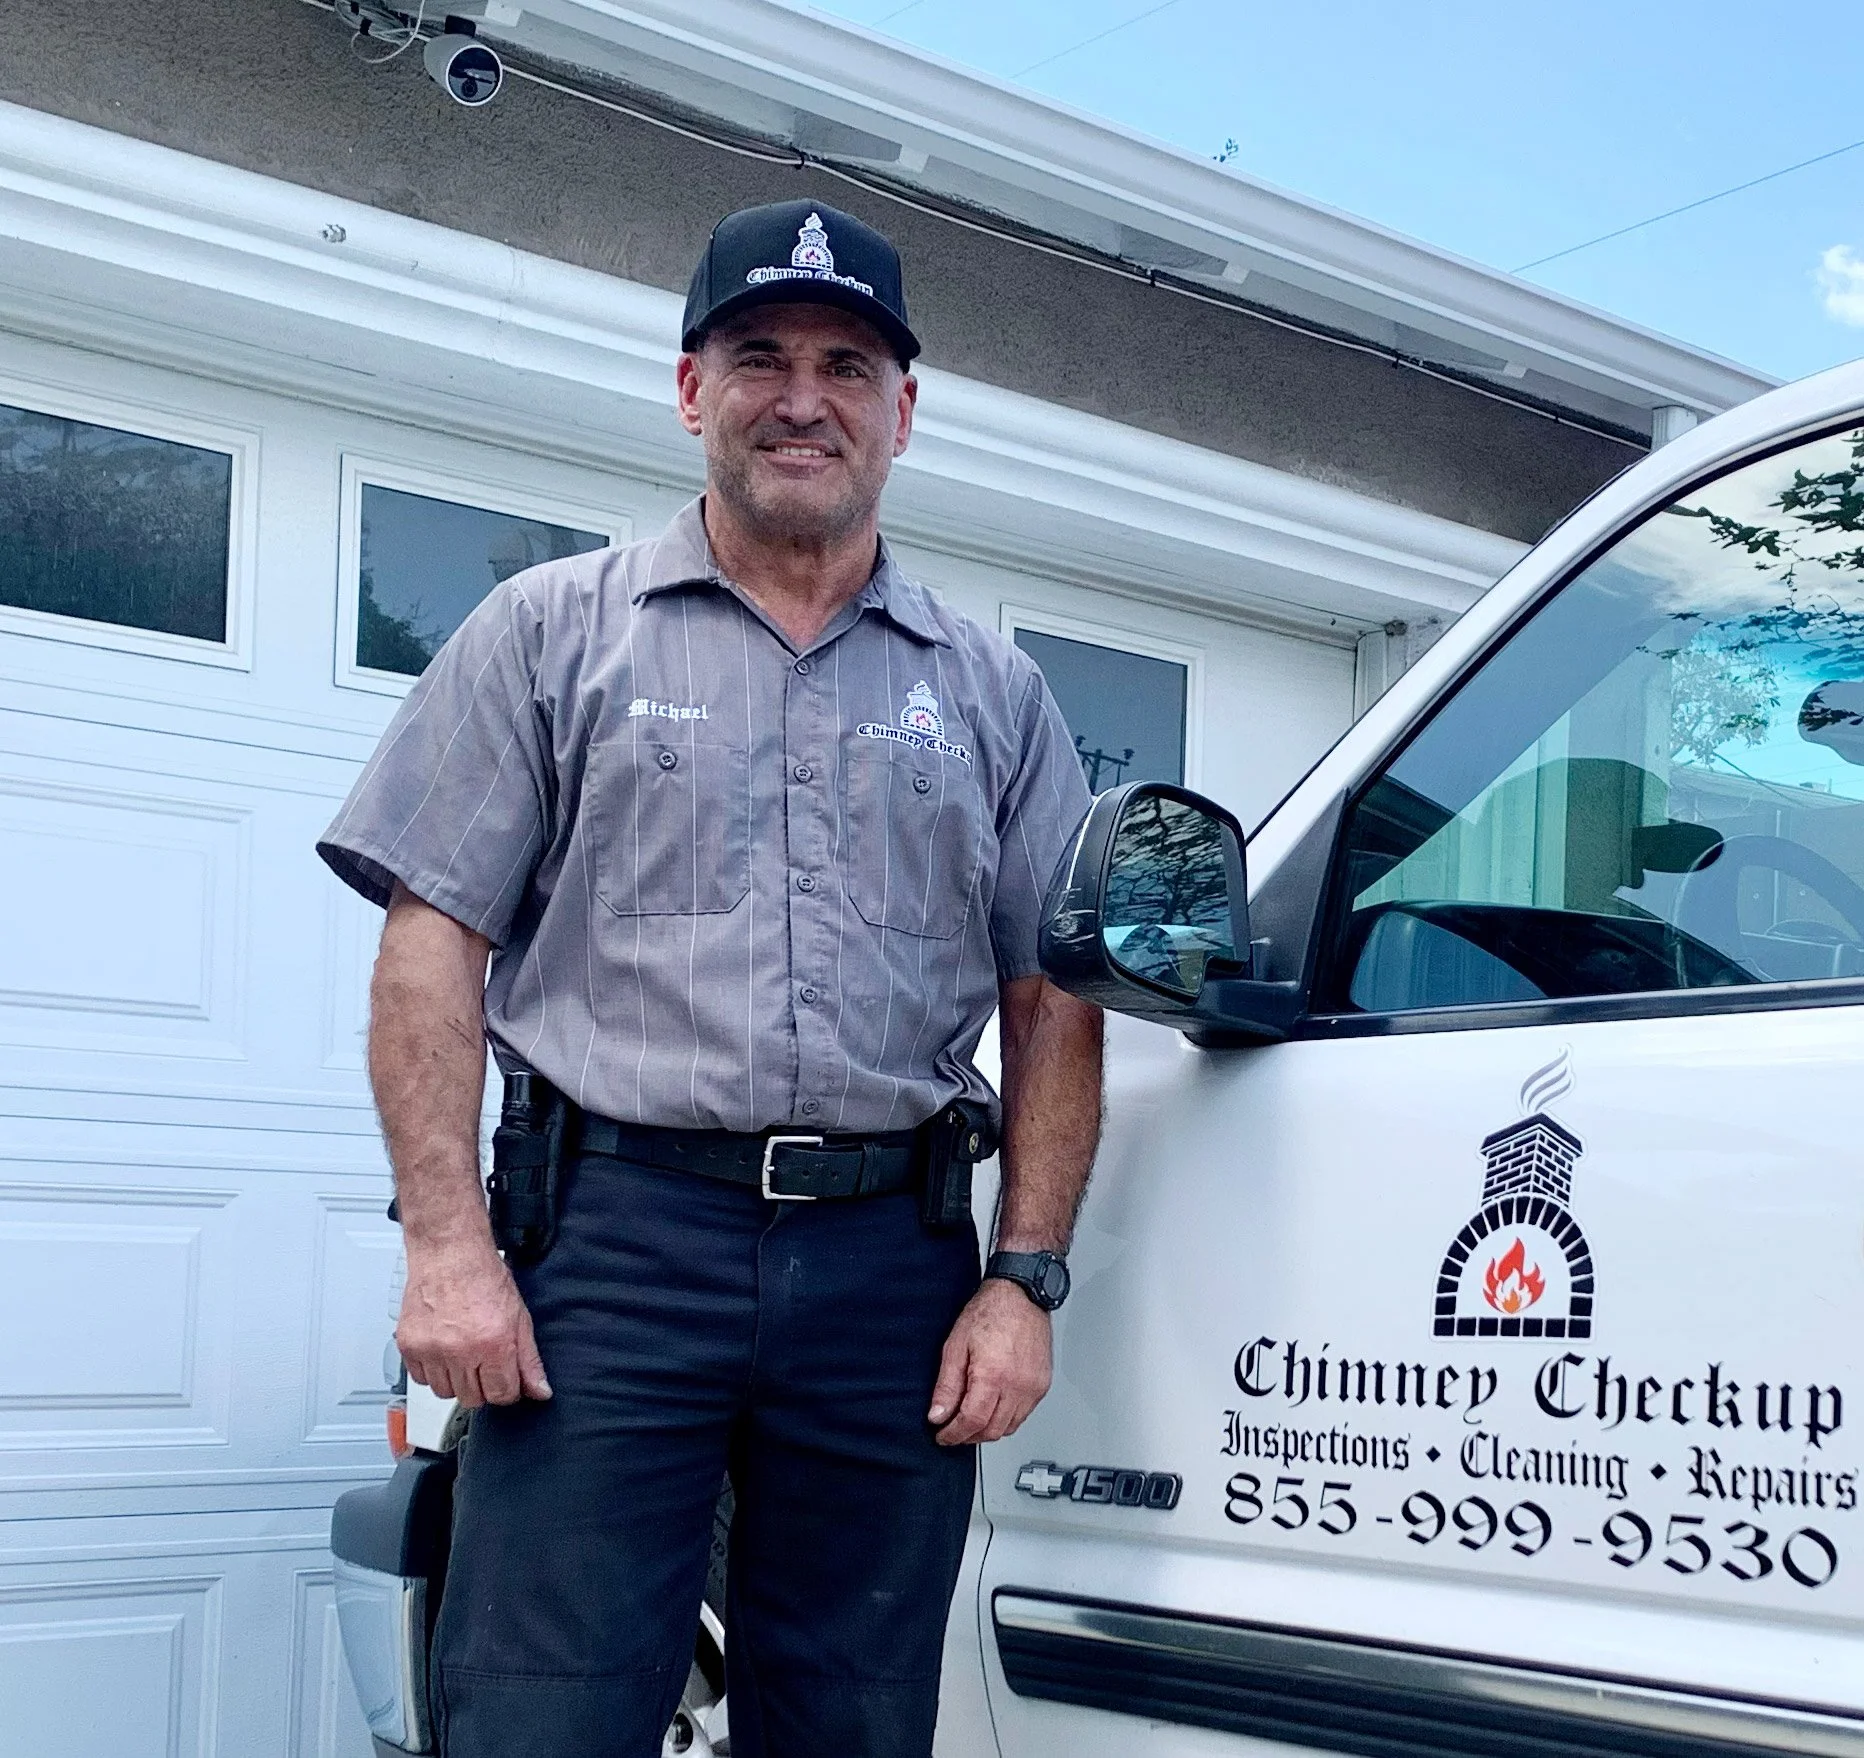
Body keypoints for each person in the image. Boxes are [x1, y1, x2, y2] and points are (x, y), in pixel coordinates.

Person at [318, 197, 1103, 1758]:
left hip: (891, 1265)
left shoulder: (995, 692)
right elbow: (430, 947)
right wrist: (447, 1250)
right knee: (543, 1712)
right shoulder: (548, 635)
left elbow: (1052, 1003)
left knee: (853, 1721)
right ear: (693, 389)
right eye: (760, 357)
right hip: (613, 1250)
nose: (803, 397)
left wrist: (1022, 1279)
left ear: (902, 411)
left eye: (844, 365)